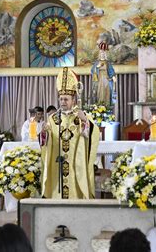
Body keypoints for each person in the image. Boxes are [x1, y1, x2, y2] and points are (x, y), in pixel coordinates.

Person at [40, 67, 100, 199]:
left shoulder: (82, 116)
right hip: (58, 163)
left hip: (75, 163)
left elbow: (93, 135)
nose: (63, 102)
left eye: (66, 99)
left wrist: (85, 120)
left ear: (73, 100)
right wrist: (44, 133)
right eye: (61, 99)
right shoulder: (53, 118)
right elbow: (46, 141)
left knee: (75, 190)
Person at [91, 41, 116, 106]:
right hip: (99, 80)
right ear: (99, 54)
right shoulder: (96, 63)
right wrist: (97, 67)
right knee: (99, 93)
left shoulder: (107, 63)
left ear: (105, 54)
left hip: (106, 80)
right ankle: (99, 106)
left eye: (104, 53)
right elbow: (92, 71)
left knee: (107, 93)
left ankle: (107, 106)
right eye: (101, 53)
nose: (102, 54)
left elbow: (111, 71)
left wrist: (113, 77)